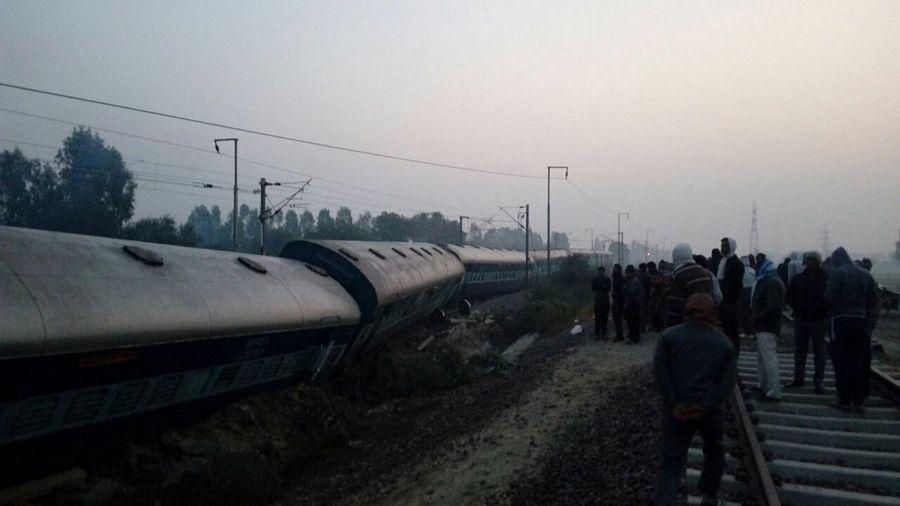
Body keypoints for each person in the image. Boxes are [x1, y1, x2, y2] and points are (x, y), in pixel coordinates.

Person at [653, 293, 736, 506]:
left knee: (671, 463)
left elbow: (661, 374)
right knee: (714, 452)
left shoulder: (669, 337)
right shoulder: (723, 343)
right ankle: (709, 496)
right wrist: (704, 407)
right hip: (709, 414)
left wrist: (674, 404)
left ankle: (666, 501)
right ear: (711, 314)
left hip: (676, 411)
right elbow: (726, 384)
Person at [824, 247, 880, 413]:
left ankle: (844, 399)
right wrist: (869, 326)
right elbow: (873, 303)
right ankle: (860, 399)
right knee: (859, 361)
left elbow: (828, 298)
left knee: (841, 361)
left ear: (836, 260)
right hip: (861, 323)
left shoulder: (837, 273)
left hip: (840, 322)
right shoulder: (866, 274)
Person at [785, 251, 828, 394]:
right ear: (805, 262)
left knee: (819, 351)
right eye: (808, 260)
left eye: (814, 260)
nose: (811, 263)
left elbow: (832, 296)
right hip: (802, 319)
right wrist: (797, 306)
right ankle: (798, 379)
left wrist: (824, 309)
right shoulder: (799, 279)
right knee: (800, 350)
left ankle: (818, 380)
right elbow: (788, 295)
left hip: (818, 320)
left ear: (819, 262)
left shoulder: (826, 278)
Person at [752, 258, 786, 402]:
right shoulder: (769, 280)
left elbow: (773, 306)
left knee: (768, 359)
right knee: (762, 358)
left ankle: (774, 391)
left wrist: (758, 317)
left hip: (767, 326)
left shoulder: (771, 282)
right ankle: (764, 386)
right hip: (764, 325)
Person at [665, 244, 720, 328]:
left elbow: (675, 304)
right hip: (706, 321)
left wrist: (671, 327)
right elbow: (714, 297)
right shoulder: (705, 273)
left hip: (687, 323)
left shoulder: (678, 275)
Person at [717, 237, 745, 355]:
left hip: (730, 303)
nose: (723, 248)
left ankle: (733, 356)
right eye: (722, 246)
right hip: (722, 302)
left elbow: (735, 285)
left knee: (731, 332)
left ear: (731, 247)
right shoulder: (723, 261)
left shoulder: (736, 263)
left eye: (725, 246)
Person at [624, 265, 644, 343]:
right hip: (632, 304)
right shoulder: (633, 281)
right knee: (632, 322)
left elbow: (633, 293)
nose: (627, 274)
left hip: (634, 305)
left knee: (633, 322)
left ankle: (634, 338)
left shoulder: (634, 282)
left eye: (629, 273)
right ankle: (634, 338)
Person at [591, 267, 612, 340]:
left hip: (605, 300)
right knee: (597, 318)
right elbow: (593, 287)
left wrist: (600, 287)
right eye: (600, 271)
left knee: (604, 318)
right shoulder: (595, 280)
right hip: (598, 301)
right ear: (598, 272)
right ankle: (597, 334)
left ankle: (604, 333)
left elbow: (608, 288)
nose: (601, 273)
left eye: (602, 271)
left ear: (604, 272)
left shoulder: (607, 279)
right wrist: (603, 286)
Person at [739, 256, 756, 337]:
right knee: (751, 311)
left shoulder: (741, 271)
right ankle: (752, 330)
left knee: (744, 312)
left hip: (743, 291)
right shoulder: (753, 271)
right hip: (752, 291)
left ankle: (747, 331)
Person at [611, 264, 625, 341]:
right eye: (614, 268)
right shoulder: (616, 277)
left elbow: (620, 291)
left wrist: (618, 301)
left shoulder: (619, 278)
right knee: (617, 320)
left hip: (618, 301)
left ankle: (619, 336)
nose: (615, 270)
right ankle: (619, 335)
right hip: (616, 300)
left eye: (616, 268)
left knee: (617, 319)